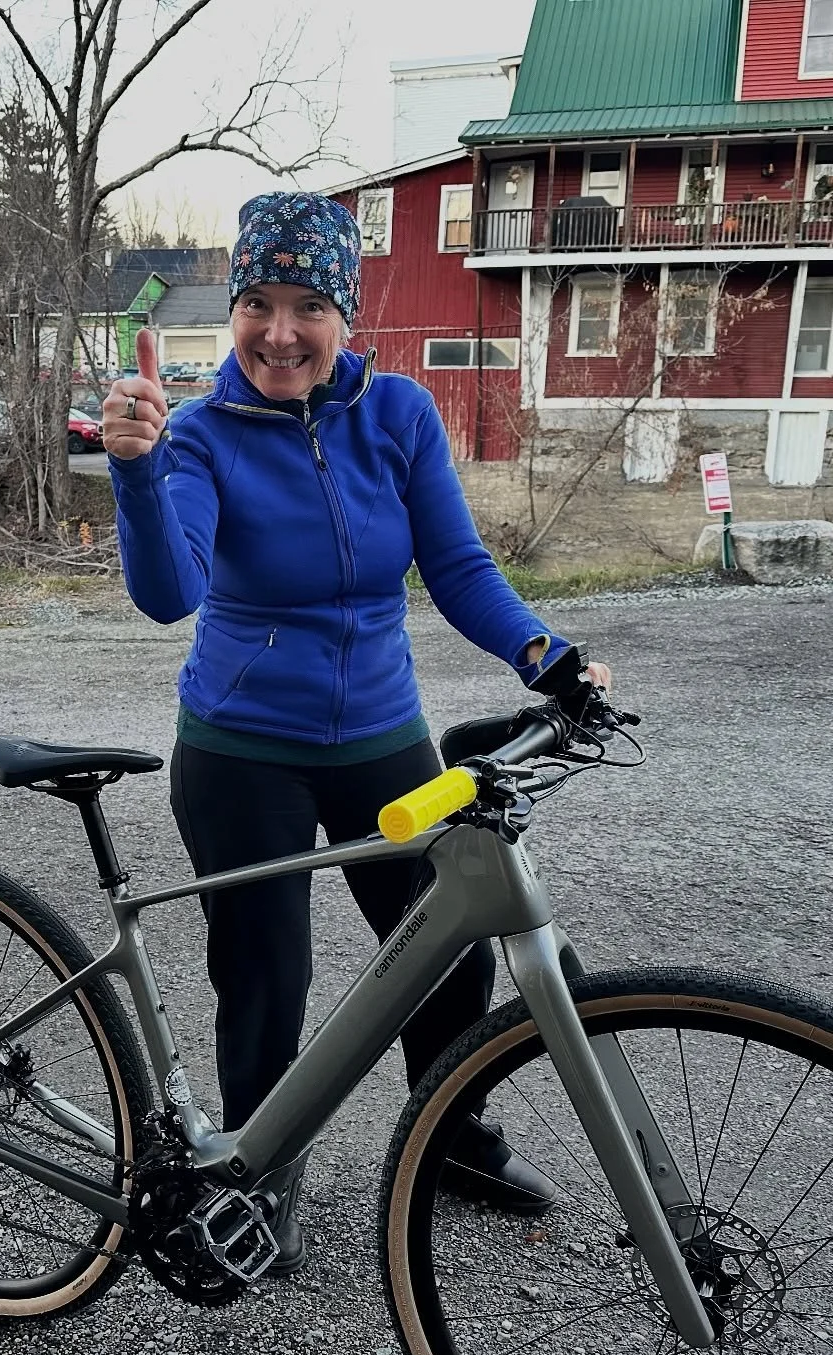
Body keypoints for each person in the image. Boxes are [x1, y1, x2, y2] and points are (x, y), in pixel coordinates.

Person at [103, 191, 611, 1274]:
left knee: (451, 945)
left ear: (347, 313)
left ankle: (453, 1136)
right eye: (257, 304)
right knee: (265, 977)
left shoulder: (400, 416)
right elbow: (167, 593)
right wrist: (138, 473)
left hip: (382, 731)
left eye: (307, 306)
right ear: (233, 309)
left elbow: (461, 569)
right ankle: (252, 1176)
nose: (280, 331)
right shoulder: (197, 435)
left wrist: (546, 655)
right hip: (243, 746)